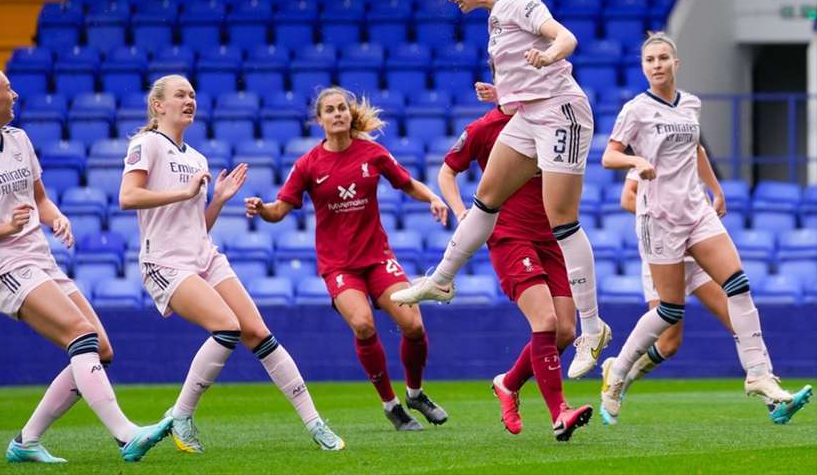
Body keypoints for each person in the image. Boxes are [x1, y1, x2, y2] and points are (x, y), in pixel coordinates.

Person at [390, 0, 610, 381]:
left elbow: (565, 36)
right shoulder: (494, 19)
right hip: (529, 114)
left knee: (562, 220)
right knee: (487, 198)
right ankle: (442, 279)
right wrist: (503, 94)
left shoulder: (520, 2)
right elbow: (519, 81)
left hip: (561, 112)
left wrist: (548, 55)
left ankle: (592, 329)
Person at [0, 66, 172, 464]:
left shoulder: (18, 139)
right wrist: (3, 227)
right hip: (6, 270)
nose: (15, 94)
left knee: (100, 349)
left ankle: (26, 441)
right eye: (7, 89)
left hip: (40, 260)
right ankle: (126, 435)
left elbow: (41, 198)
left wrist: (56, 217)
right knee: (80, 337)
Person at [118, 74, 344, 452]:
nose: (189, 100)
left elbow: (196, 226)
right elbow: (127, 196)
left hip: (203, 254)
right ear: (158, 106)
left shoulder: (196, 158)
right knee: (227, 327)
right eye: (179, 95)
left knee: (258, 333)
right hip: (165, 261)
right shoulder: (146, 144)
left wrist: (217, 199)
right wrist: (186, 191)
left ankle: (315, 423)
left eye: (192, 94)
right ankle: (181, 415)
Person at [599, 32, 810, 421]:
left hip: (696, 213)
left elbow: (694, 149)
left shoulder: (690, 104)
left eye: (664, 58)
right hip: (659, 219)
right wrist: (635, 164)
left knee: (739, 286)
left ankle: (759, 377)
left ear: (675, 63)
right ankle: (618, 374)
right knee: (669, 314)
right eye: (650, 60)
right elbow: (609, 156)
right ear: (643, 67)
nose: (657, 65)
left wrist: (716, 190)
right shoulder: (636, 110)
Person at [245, 87, 450, 431]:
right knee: (363, 324)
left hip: (377, 257)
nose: (337, 113)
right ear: (320, 119)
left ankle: (415, 393)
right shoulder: (308, 164)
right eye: (330, 110)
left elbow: (406, 183)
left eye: (342, 108)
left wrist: (432, 197)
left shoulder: (372, 153)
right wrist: (263, 208)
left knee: (413, 326)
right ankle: (392, 406)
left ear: (349, 114)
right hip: (339, 266)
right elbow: (280, 210)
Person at [606, 168, 812, 425]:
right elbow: (627, 198)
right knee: (669, 343)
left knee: (737, 319)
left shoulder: (687, 150)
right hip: (664, 255)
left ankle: (774, 401)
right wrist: (670, 221)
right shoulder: (648, 155)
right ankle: (619, 377)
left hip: (696, 257)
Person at [438, 97, 593, 441]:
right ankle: (560, 413)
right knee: (546, 321)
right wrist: (463, 212)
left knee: (565, 332)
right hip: (510, 235)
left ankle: (508, 384)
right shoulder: (482, 128)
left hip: (551, 236)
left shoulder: (549, 117)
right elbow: (447, 170)